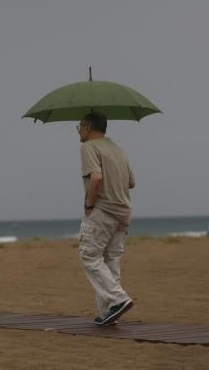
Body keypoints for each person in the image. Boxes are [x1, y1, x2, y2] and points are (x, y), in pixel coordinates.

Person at [77, 112, 135, 325]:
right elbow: (131, 182)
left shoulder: (89, 147)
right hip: (123, 212)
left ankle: (118, 299)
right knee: (111, 261)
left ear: (88, 127)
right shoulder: (118, 149)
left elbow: (96, 178)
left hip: (103, 210)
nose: (78, 131)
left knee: (89, 256)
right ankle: (108, 312)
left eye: (79, 126)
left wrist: (89, 205)